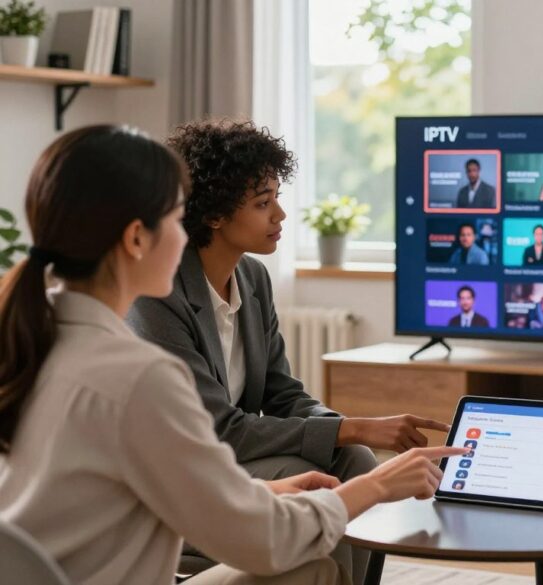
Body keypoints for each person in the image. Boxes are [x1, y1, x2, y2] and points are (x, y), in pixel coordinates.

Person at [0, 125, 467, 585]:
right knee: (315, 568)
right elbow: (262, 540)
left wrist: (261, 490)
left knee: (319, 557)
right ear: (137, 238)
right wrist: (378, 485)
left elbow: (127, 486)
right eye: (176, 217)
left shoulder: (38, 342)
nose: (185, 235)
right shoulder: (139, 377)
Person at [125, 120, 450, 582]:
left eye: (277, 198)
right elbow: (217, 428)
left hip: (234, 457)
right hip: (187, 477)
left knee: (356, 458)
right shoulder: (159, 293)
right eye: (263, 203)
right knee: (311, 471)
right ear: (214, 214)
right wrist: (355, 426)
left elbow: (283, 394)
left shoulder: (253, 279)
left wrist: (350, 431)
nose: (279, 215)